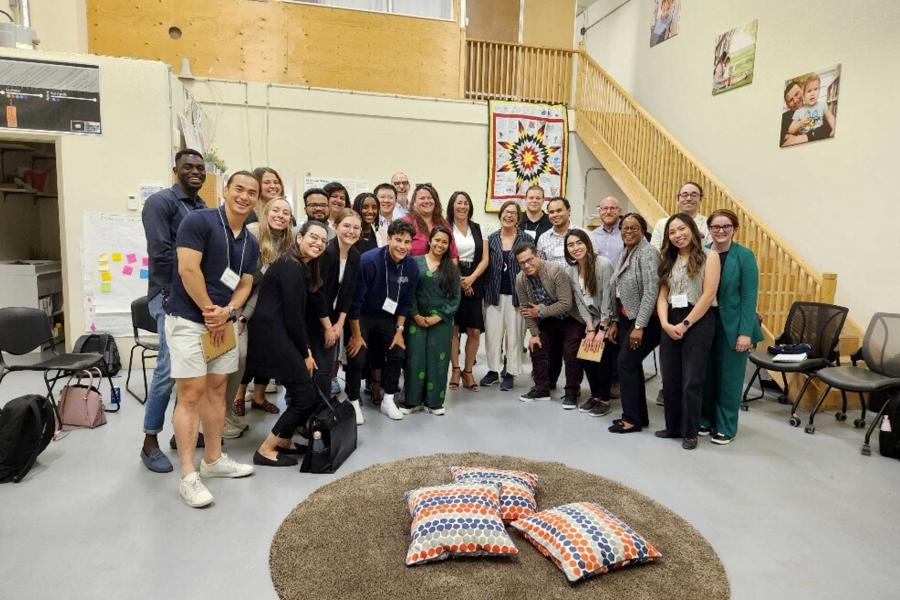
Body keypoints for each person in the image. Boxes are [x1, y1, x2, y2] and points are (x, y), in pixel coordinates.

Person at [165, 170, 260, 507]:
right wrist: (210, 311)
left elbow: (246, 283)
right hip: (190, 320)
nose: (244, 196)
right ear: (226, 191)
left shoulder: (250, 241)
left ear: (256, 199)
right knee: (191, 394)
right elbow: (188, 270)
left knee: (218, 390)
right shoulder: (199, 222)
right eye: (239, 189)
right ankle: (188, 475)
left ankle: (214, 459)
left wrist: (229, 311)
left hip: (224, 323)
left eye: (251, 192)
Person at [139, 149, 208, 473]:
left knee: (191, 368)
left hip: (195, 297)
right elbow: (161, 253)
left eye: (200, 167)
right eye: (188, 167)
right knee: (168, 369)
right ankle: (149, 441)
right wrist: (189, 284)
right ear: (175, 170)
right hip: (167, 295)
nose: (195, 171)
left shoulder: (202, 207)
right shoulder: (160, 203)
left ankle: (181, 433)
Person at [247, 220, 327, 467]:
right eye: (313, 237)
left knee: (303, 392)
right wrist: (305, 353)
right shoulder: (291, 267)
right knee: (305, 396)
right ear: (299, 238)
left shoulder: (299, 266)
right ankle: (266, 449)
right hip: (273, 336)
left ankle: (283, 439)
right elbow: (293, 316)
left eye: (323, 240)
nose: (319, 243)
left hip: (279, 334)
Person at [655, 213, 720, 450]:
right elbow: (663, 296)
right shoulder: (668, 259)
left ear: (692, 229)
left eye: (682, 229)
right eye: (672, 232)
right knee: (670, 377)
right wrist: (665, 323)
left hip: (698, 320)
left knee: (692, 380)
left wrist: (685, 324)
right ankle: (672, 427)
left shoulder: (710, 256)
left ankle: (690, 432)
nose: (677, 235)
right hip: (670, 320)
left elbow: (709, 295)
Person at [346, 220, 420, 421]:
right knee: (357, 354)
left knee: (397, 351)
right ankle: (353, 401)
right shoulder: (369, 261)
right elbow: (355, 302)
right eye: (398, 240)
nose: (402, 246)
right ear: (388, 239)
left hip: (388, 316)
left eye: (407, 242)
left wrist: (399, 331)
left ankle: (388, 400)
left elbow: (406, 301)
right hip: (362, 315)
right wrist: (356, 335)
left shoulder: (411, 266)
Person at [701, 209, 763, 445]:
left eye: (726, 226)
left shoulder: (744, 256)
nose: (721, 231)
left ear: (735, 229)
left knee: (729, 379)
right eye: (715, 227)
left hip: (735, 326)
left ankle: (726, 426)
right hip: (706, 323)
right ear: (709, 229)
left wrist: (745, 332)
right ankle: (705, 419)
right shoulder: (703, 253)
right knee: (706, 374)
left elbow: (749, 297)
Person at [230, 197, 294, 421]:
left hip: (263, 302)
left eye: (285, 212)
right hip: (235, 296)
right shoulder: (252, 233)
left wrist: (248, 313)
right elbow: (237, 276)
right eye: (276, 210)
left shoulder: (288, 241)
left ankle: (259, 397)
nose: (280, 216)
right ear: (265, 212)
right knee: (243, 355)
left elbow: (265, 285)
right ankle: (238, 396)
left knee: (266, 351)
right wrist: (240, 314)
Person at [607, 213, 661, 434]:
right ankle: (639, 417)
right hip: (625, 317)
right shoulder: (627, 251)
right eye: (625, 228)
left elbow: (651, 291)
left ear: (643, 230)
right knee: (632, 366)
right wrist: (614, 322)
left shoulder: (648, 253)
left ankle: (631, 419)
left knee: (625, 364)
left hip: (645, 321)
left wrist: (639, 326)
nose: (628, 232)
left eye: (634, 228)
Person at [515, 241, 584, 407]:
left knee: (571, 352)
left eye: (529, 259)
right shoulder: (520, 279)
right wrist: (534, 334)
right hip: (549, 320)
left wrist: (540, 311)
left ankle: (572, 392)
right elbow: (525, 308)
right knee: (536, 346)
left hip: (571, 318)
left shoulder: (555, 271)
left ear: (537, 255)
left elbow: (566, 303)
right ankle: (542, 388)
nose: (527, 265)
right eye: (522, 263)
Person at [401, 226, 461, 415]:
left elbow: (455, 298)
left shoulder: (452, 268)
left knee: (438, 360)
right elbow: (407, 291)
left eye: (444, 242)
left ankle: (434, 402)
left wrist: (438, 317)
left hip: (441, 322)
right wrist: (415, 315)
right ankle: (411, 401)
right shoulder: (413, 262)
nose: (440, 245)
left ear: (448, 245)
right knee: (415, 359)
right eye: (437, 240)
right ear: (429, 241)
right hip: (415, 319)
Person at [564, 229, 615, 417]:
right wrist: (590, 328)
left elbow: (609, 298)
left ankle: (605, 399)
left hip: (608, 318)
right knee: (586, 355)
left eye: (579, 243)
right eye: (570, 245)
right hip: (591, 320)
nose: (575, 248)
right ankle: (595, 395)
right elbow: (579, 302)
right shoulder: (572, 269)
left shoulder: (603, 264)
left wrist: (602, 329)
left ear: (587, 243)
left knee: (601, 355)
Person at [318, 209, 362, 420]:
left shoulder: (355, 256)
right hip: (315, 316)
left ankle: (321, 413)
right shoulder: (326, 253)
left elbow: (349, 293)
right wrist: (328, 327)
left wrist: (339, 324)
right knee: (314, 366)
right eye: (346, 226)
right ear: (335, 226)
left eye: (356, 227)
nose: (351, 231)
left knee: (327, 367)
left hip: (335, 318)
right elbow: (317, 293)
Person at [481, 201, 529, 391]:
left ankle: (510, 373)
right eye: (506, 212)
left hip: (518, 296)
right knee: (493, 335)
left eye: (513, 213)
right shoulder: (491, 238)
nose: (509, 215)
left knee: (515, 335)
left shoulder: (525, 239)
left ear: (518, 218)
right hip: (494, 294)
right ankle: (493, 370)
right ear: (500, 215)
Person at [446, 191, 488, 392]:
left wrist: (471, 279)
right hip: (451, 279)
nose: (462, 206)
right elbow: (442, 254)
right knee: (453, 328)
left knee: (474, 330)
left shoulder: (479, 228)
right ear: (452, 206)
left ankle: (468, 371)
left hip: (475, 279)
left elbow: (485, 259)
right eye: (458, 203)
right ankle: (455, 369)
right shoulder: (446, 227)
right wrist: (460, 281)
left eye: (466, 203)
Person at [650, 182, 712, 250]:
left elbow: (710, 250)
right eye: (684, 195)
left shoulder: (709, 224)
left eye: (694, 195)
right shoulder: (662, 223)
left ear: (700, 199)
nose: (689, 198)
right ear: (678, 199)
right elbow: (654, 251)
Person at [402, 183, 458, 258]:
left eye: (430, 198)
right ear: (414, 203)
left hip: (442, 265)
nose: (427, 201)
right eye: (422, 198)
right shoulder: (405, 223)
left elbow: (453, 255)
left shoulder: (444, 224)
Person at [780, 80, 832, 147]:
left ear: (803, 90)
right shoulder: (784, 117)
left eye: (796, 94)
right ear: (788, 105)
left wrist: (803, 138)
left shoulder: (817, 107)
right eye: (791, 100)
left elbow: (828, 128)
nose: (795, 101)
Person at [536, 196, 573, 265]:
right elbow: (541, 265)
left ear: (569, 210)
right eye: (551, 212)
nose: (555, 215)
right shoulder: (543, 238)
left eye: (559, 211)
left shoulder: (582, 234)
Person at [589, 196, 625, 266]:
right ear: (600, 212)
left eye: (612, 208)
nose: (608, 212)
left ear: (619, 211)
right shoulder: (592, 235)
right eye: (605, 208)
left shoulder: (627, 234)